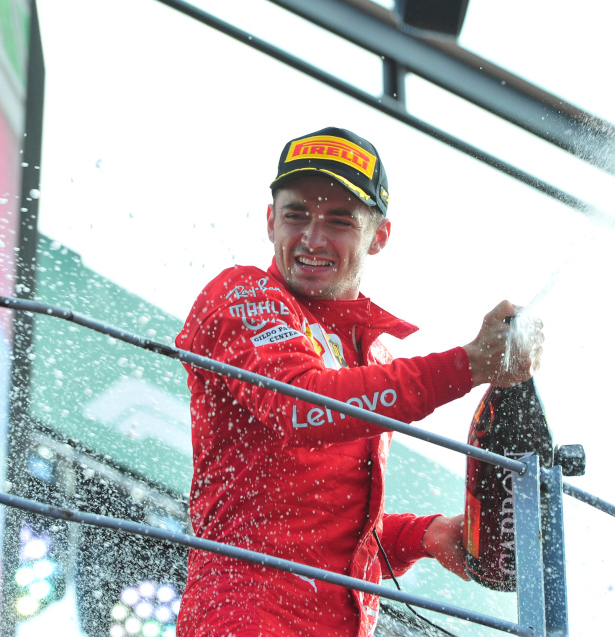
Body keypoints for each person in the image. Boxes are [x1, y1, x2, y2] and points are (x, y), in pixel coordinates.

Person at [174, 126, 542, 636]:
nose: (312, 237)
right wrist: (469, 365)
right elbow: (302, 408)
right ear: (269, 220)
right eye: (296, 214)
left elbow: (317, 532)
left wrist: (424, 536)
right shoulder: (241, 291)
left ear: (380, 237)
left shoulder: (371, 352)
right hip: (245, 619)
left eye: (340, 221)